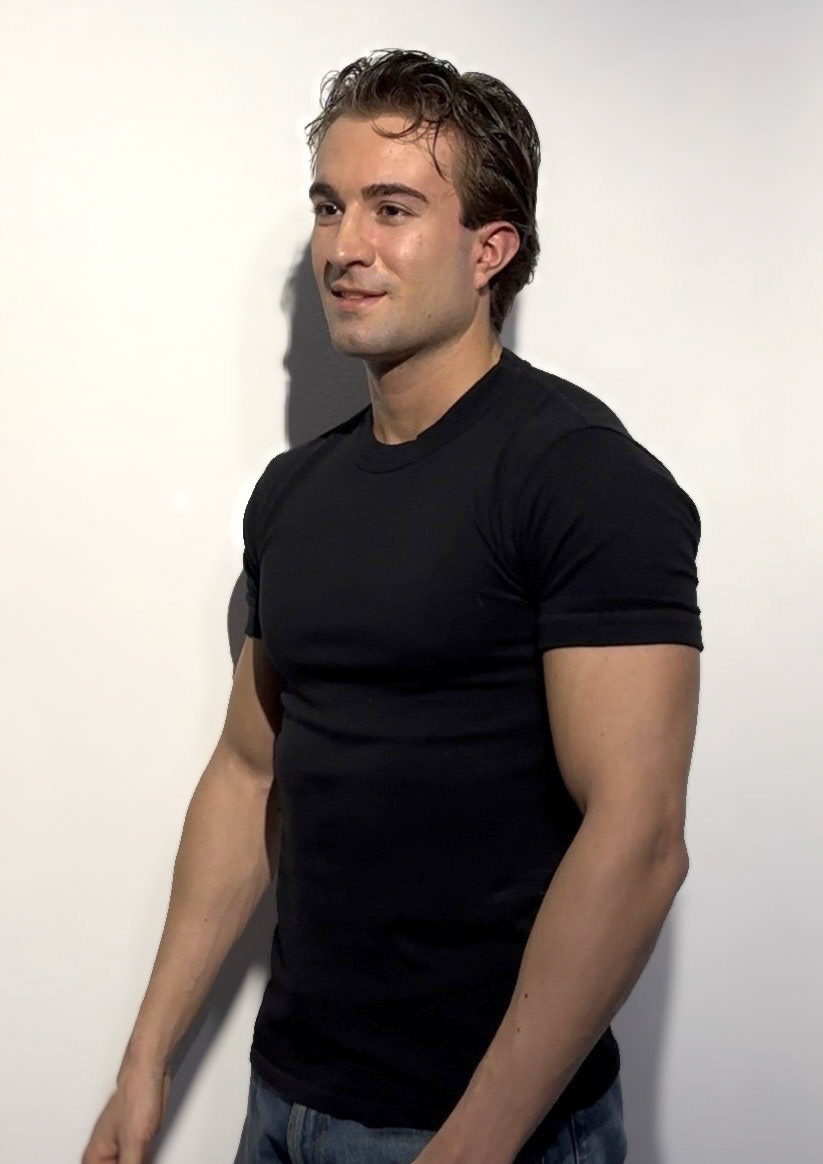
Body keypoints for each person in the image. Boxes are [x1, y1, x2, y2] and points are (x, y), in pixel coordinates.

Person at [82, 47, 702, 1164]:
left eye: (392, 208)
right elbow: (248, 774)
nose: (343, 246)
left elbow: (640, 838)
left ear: (489, 249)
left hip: (485, 1130)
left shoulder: (581, 477)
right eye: (329, 206)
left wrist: (474, 1142)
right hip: (286, 1105)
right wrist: (145, 1064)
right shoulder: (293, 493)